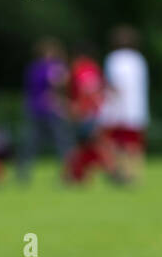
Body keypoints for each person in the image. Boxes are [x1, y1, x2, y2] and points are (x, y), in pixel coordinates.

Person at [99, 25, 149, 183]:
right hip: (136, 110)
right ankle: (133, 174)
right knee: (134, 144)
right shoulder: (139, 59)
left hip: (118, 109)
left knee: (117, 143)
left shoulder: (114, 58)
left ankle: (120, 172)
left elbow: (114, 85)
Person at [17, 38, 71, 183]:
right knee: (62, 142)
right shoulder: (52, 67)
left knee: (31, 143)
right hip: (49, 109)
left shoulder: (33, 68)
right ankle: (67, 173)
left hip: (34, 108)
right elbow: (58, 83)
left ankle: (22, 173)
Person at [64, 43, 110, 183]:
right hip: (96, 111)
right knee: (92, 144)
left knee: (78, 145)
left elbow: (77, 91)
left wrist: (75, 108)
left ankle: (76, 175)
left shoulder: (77, 69)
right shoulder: (95, 68)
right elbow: (102, 89)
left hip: (82, 113)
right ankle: (83, 175)